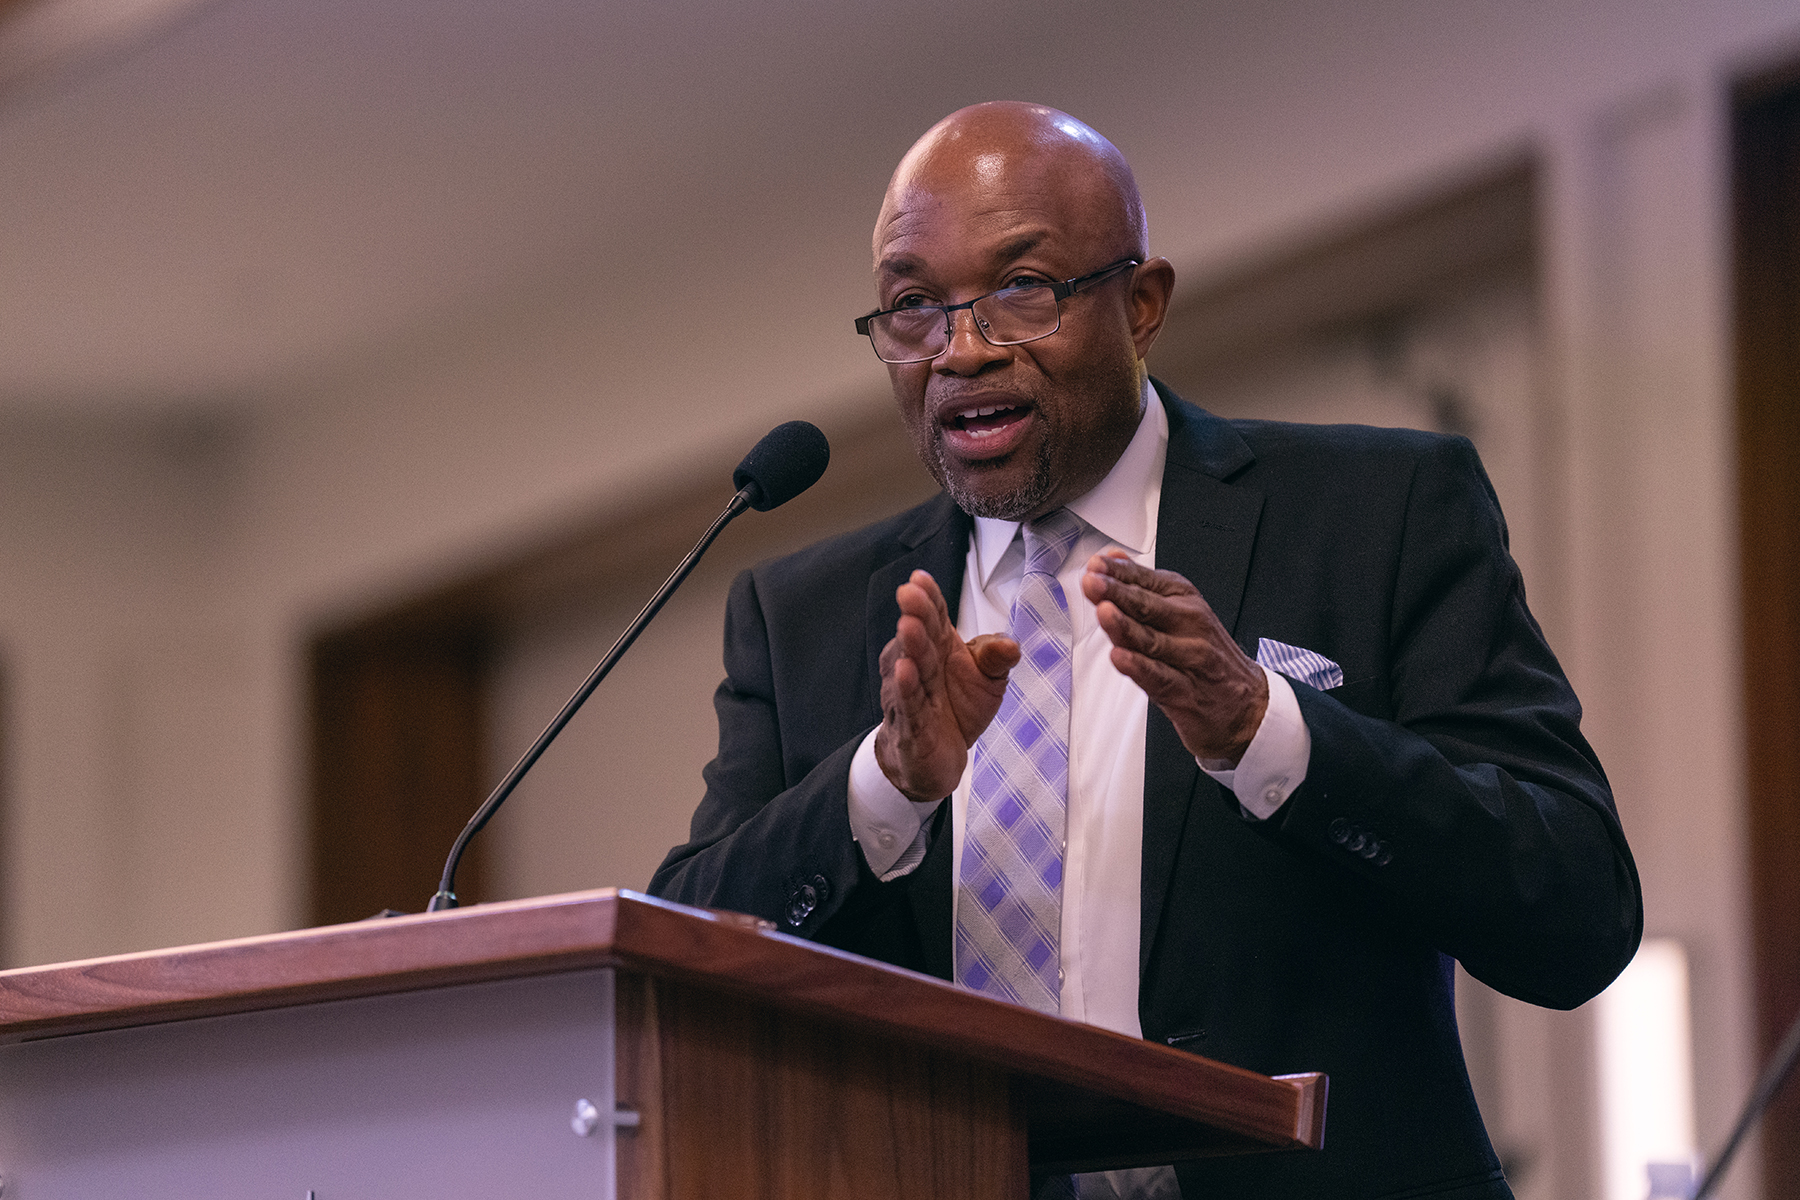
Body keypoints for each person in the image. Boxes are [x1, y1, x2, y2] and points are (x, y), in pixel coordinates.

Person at [650, 101, 1642, 1199]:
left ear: (1143, 304)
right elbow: (688, 952)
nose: (961, 350)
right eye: (913, 308)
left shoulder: (1379, 514)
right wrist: (880, 791)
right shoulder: (806, 615)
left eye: (1022, 289)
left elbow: (1577, 913)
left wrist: (1267, 731)